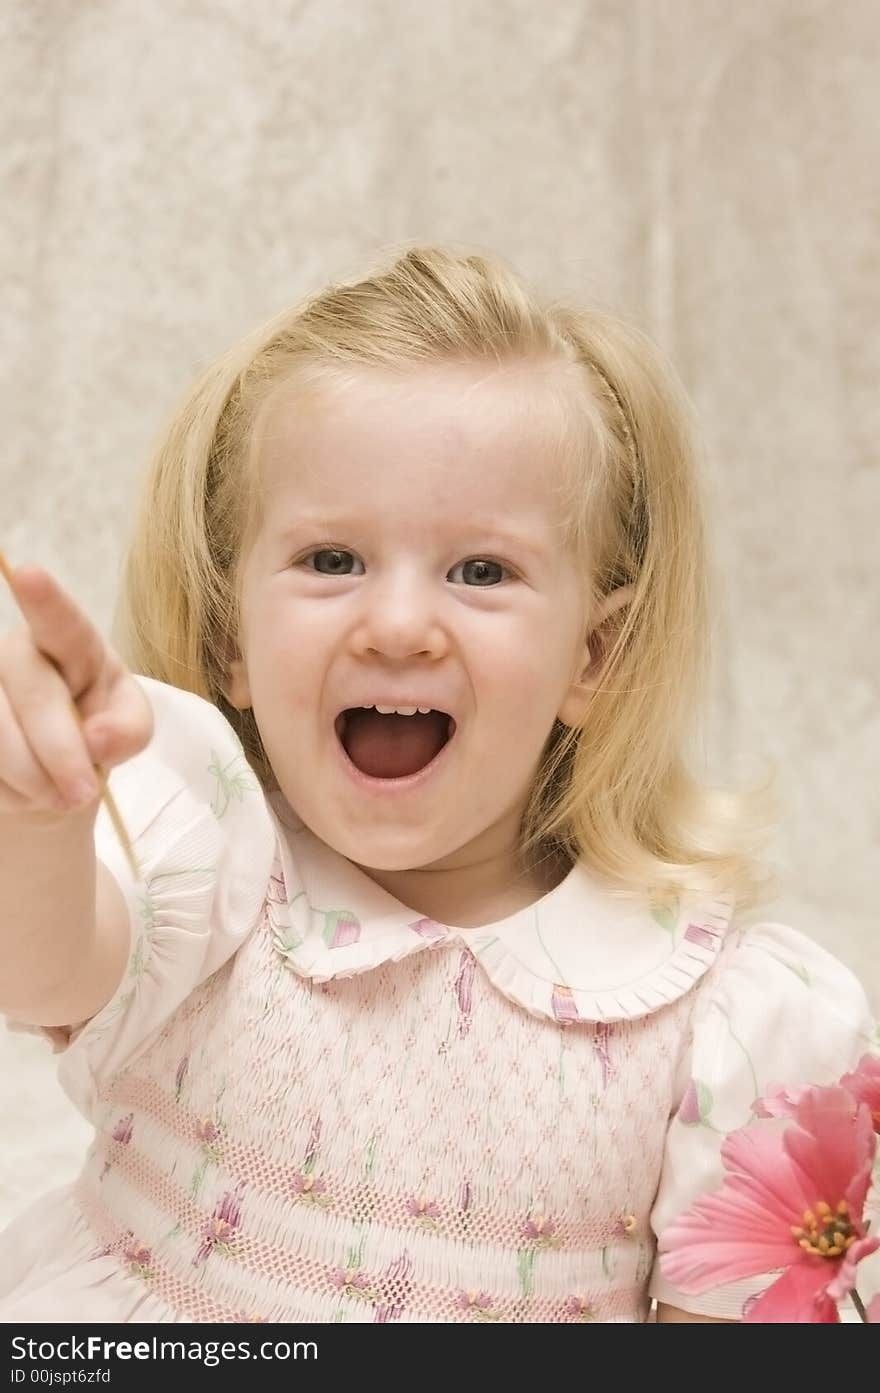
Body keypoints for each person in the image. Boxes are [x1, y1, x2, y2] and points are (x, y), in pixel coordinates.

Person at [0, 245, 873, 1323]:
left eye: (479, 570)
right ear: (233, 634)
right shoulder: (209, 868)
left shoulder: (713, 1025)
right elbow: (40, 968)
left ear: (592, 657)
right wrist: (35, 817)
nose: (401, 624)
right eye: (331, 559)